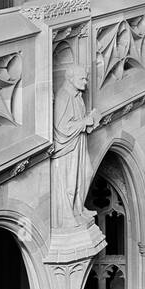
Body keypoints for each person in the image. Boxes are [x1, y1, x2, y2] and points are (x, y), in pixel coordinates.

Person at [52, 64, 99, 226]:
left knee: (87, 172)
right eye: (82, 79)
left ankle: (78, 208)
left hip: (79, 141)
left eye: (86, 78)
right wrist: (84, 122)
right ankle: (68, 216)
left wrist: (89, 122)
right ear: (71, 79)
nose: (86, 82)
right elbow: (62, 128)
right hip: (67, 147)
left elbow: (77, 120)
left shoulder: (77, 95)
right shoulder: (63, 97)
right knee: (70, 182)